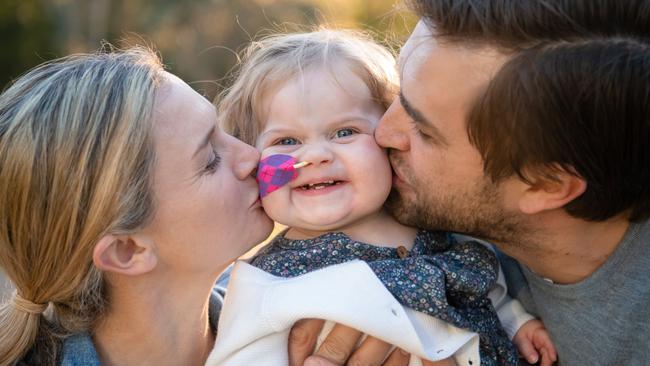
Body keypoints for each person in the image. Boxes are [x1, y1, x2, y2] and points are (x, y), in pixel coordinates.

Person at [292, 1, 650, 365]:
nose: (382, 132)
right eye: (398, 92)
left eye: (424, 130)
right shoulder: (399, 208)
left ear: (544, 184)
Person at [208, 29, 555, 366]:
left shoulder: (434, 225)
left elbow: (474, 289)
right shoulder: (264, 287)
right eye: (285, 141)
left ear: (389, 137)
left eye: (345, 132)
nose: (315, 156)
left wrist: (515, 321)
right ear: (254, 165)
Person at [0, 46, 274, 365]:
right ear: (127, 250)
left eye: (222, 133)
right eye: (210, 160)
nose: (252, 157)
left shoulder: (300, 325)